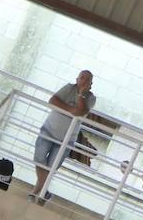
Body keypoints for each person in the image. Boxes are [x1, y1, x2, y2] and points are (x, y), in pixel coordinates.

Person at [29, 70, 95, 202]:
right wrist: (71, 110)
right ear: (77, 79)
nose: (84, 81)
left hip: (67, 139)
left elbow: (81, 112)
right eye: (82, 78)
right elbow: (53, 100)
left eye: (87, 80)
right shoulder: (68, 88)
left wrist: (81, 94)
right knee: (39, 158)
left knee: (52, 166)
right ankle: (41, 191)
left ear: (91, 84)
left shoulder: (91, 98)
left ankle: (37, 191)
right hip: (49, 130)